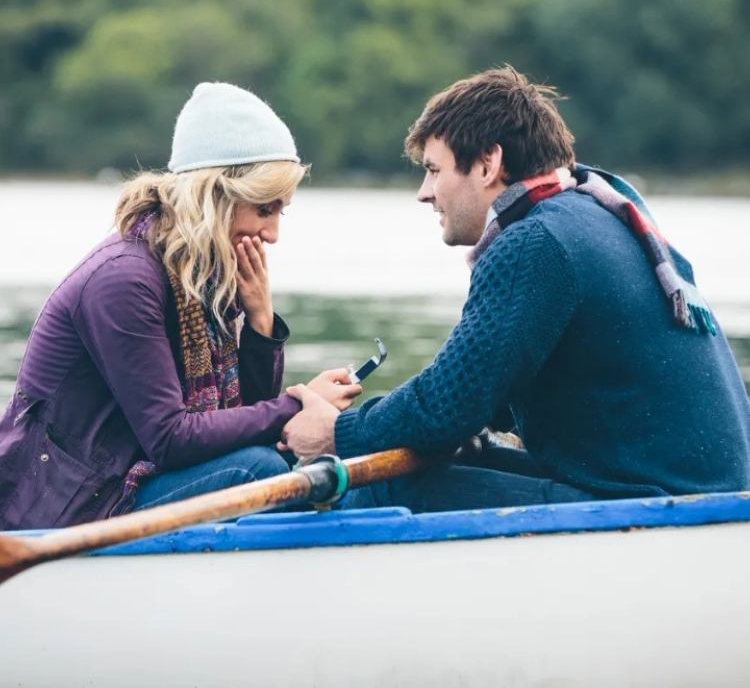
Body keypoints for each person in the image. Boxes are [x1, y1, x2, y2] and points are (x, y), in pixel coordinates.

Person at [280, 66, 750, 512]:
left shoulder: (536, 242)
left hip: (663, 509)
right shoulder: (600, 213)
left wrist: (338, 433)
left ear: (488, 164)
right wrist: (442, 427)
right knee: (448, 455)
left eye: (434, 170)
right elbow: (482, 397)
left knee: (391, 482)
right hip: (713, 500)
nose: (424, 192)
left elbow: (447, 407)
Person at [0, 82, 361, 530]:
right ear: (213, 199)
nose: (272, 235)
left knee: (278, 460)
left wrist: (261, 323)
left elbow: (244, 416)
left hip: (126, 480)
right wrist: (298, 405)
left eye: (280, 212)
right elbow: (171, 439)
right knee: (258, 472)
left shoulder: (200, 282)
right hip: (71, 508)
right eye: (264, 208)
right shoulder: (123, 279)